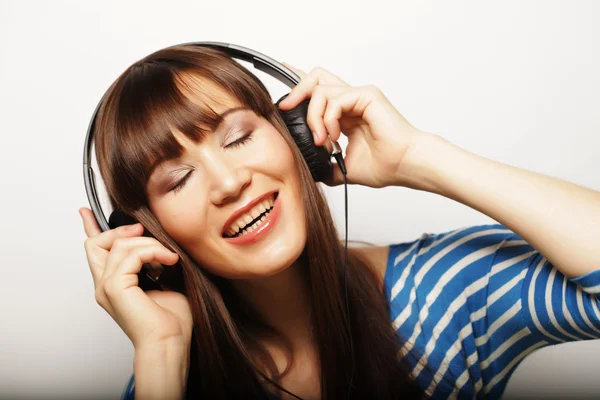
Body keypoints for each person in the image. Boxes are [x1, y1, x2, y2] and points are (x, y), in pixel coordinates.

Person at [78, 45, 600, 400]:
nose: (229, 183)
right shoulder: (164, 371)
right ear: (147, 234)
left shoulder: (441, 292)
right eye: (178, 180)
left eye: (238, 137)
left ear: (299, 138)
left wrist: (418, 158)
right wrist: (163, 352)